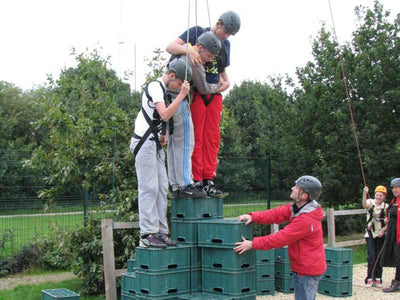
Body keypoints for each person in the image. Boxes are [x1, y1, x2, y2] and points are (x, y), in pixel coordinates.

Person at [166, 11, 241, 197]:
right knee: (196, 136)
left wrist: (227, 82)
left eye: (230, 34)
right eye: (227, 32)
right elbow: (170, 47)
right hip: (198, 91)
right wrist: (188, 50)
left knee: (212, 137)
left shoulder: (225, 45)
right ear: (219, 23)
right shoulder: (197, 33)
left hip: (214, 92)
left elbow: (222, 68)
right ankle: (196, 177)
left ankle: (209, 177)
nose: (227, 36)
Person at [129, 59, 192, 247]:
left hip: (154, 143)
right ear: (172, 76)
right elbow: (164, 114)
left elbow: (160, 118)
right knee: (149, 187)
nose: (178, 88)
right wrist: (182, 95)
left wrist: (163, 133)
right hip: (143, 142)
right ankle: (147, 234)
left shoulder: (163, 91)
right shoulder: (155, 87)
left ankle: (161, 231)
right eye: (179, 84)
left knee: (162, 186)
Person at [234, 175, 326, 300]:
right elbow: (276, 214)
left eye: (297, 187)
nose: (292, 188)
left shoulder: (306, 219)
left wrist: (253, 244)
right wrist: (253, 216)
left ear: (304, 195)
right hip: (304, 267)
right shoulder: (298, 208)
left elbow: (280, 238)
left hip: (307, 270)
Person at [167, 31, 222, 198]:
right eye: (209, 55)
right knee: (186, 143)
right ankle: (186, 184)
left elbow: (171, 47)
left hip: (167, 98)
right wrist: (220, 86)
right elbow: (204, 87)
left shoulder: (183, 49)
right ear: (200, 47)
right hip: (179, 100)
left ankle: (176, 185)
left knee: (173, 145)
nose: (208, 60)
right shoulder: (194, 58)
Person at [362, 185, 388, 288]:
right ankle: (369, 278)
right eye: (377, 195)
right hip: (370, 233)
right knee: (372, 256)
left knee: (379, 256)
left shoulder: (386, 207)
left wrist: (384, 229)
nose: (378, 197)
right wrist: (364, 193)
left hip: (381, 234)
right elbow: (364, 204)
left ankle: (378, 278)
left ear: (384, 196)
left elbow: (389, 221)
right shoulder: (370, 202)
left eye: (380, 195)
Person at [381, 177, 400, 293]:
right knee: (396, 257)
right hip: (393, 234)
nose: (394, 189)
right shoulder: (394, 201)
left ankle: (397, 282)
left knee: (399, 258)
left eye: (397, 187)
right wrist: (386, 223)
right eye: (393, 188)